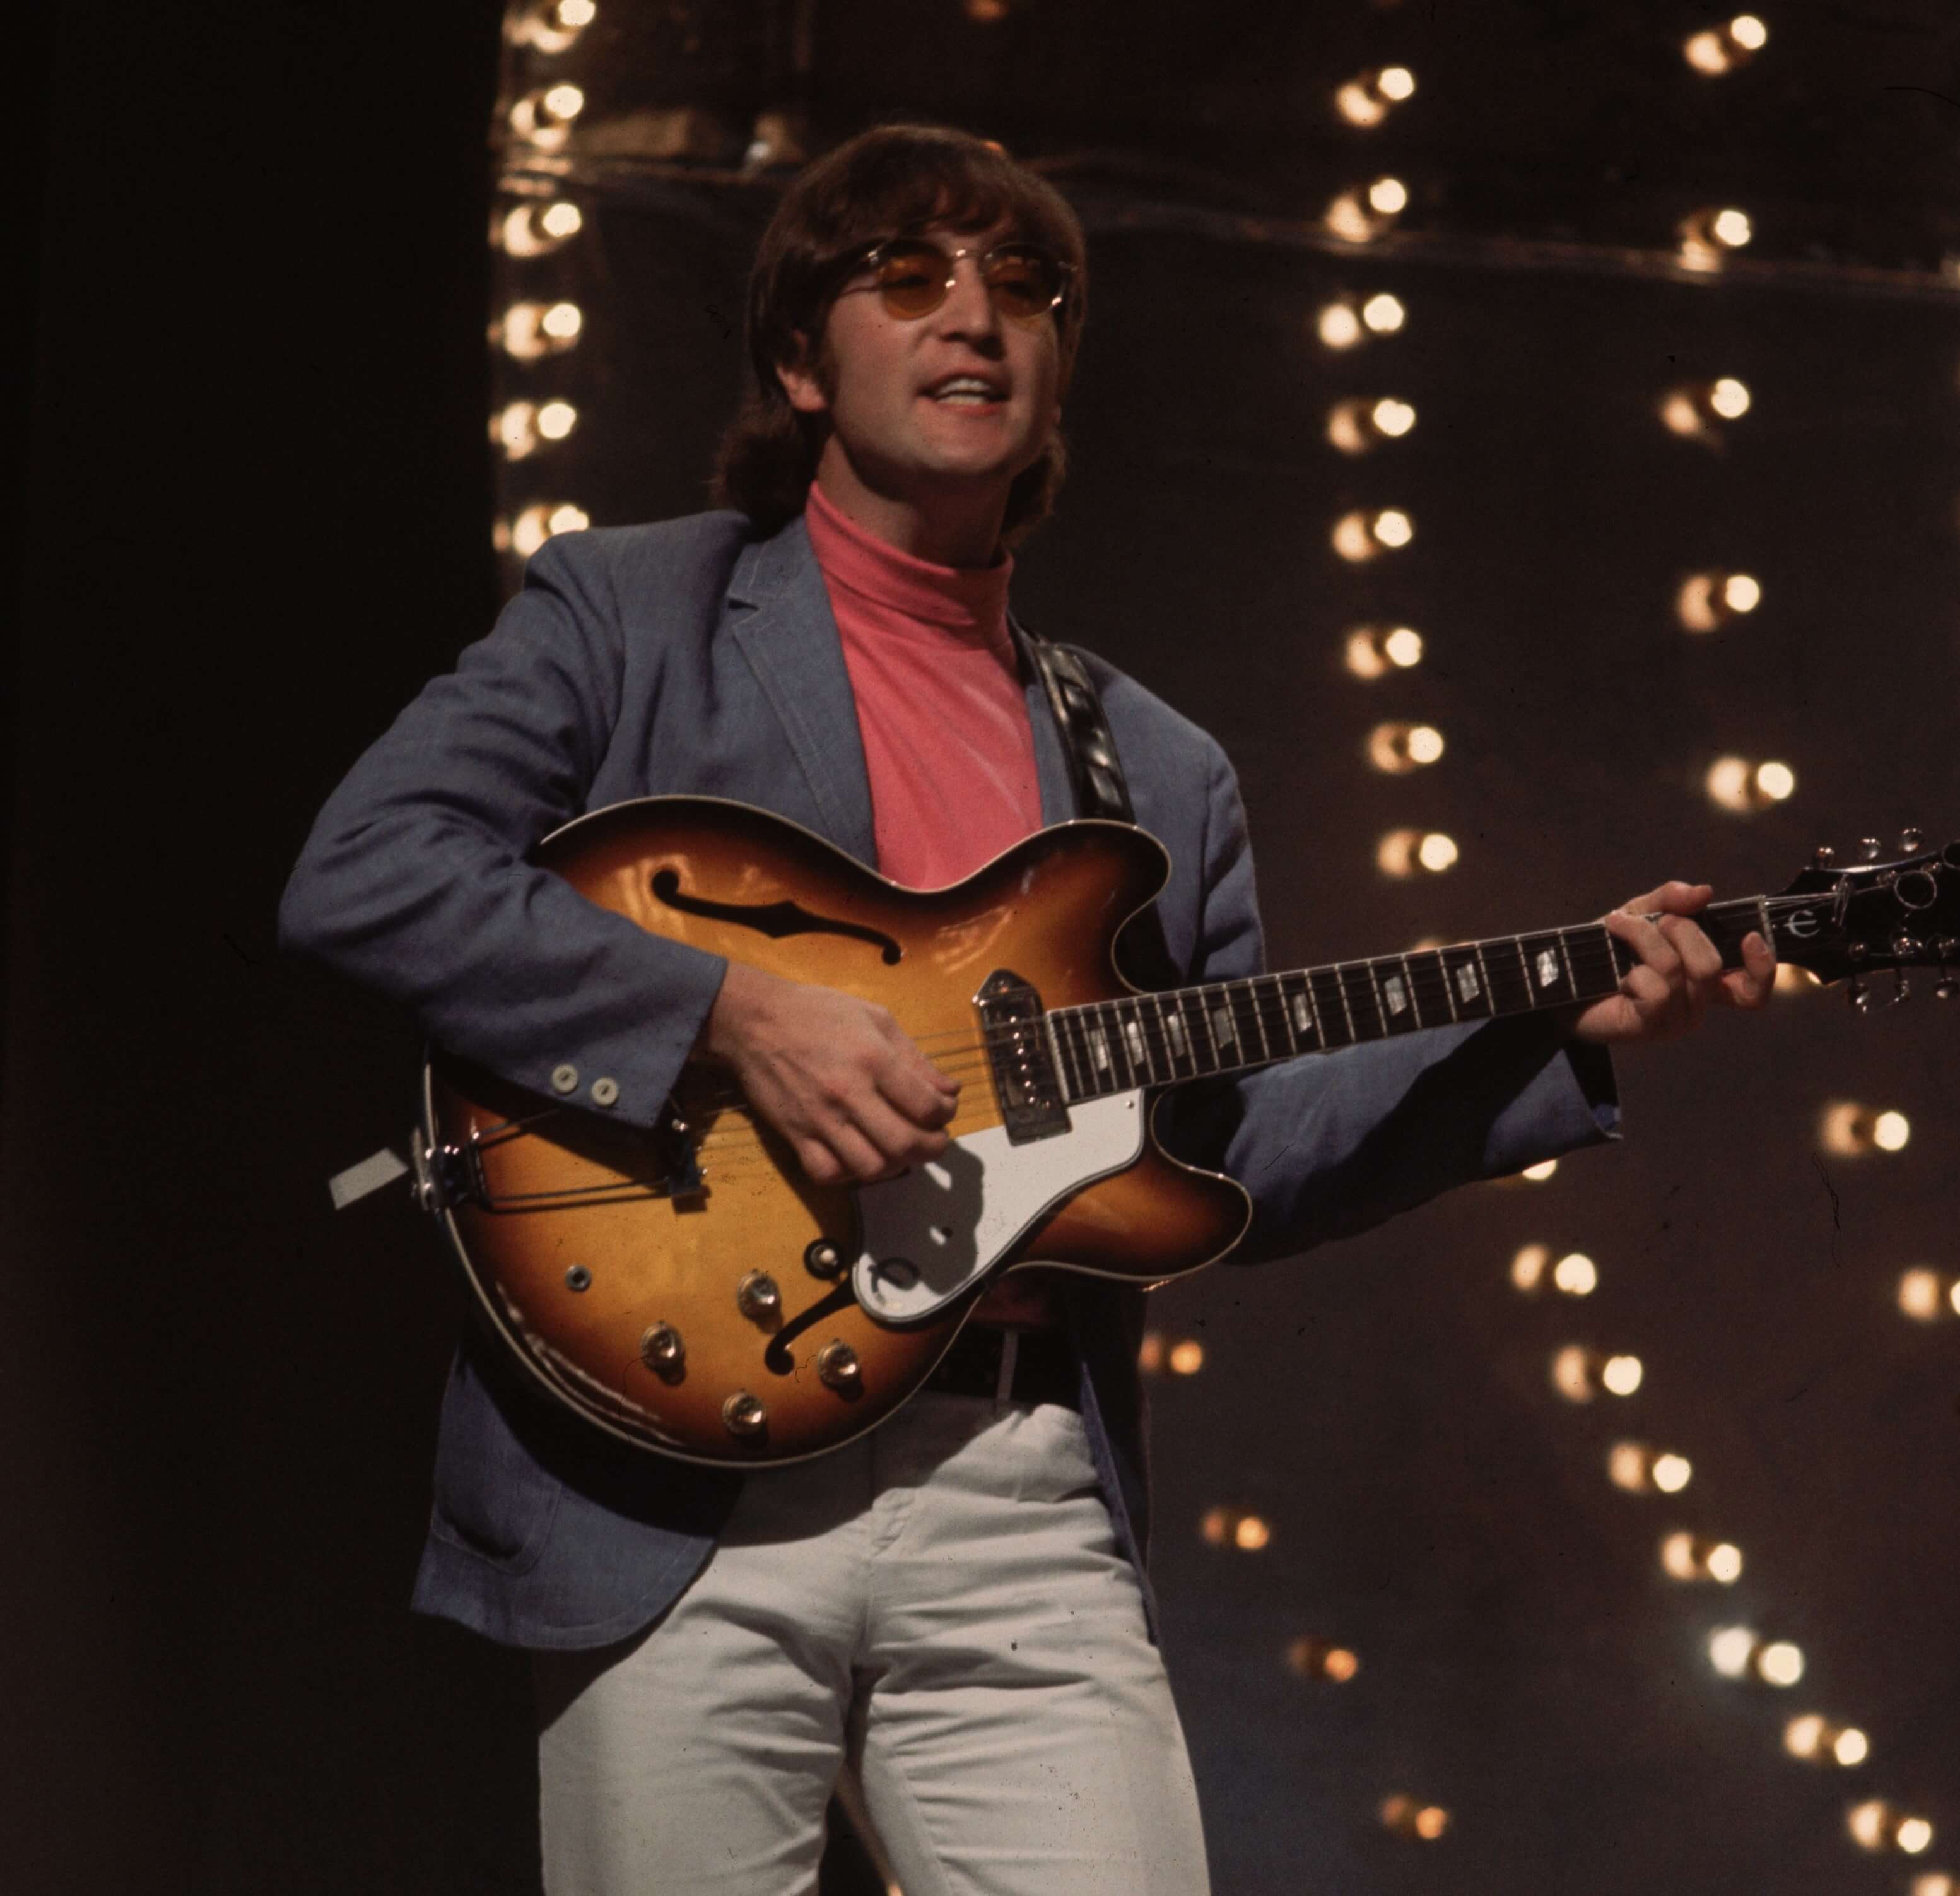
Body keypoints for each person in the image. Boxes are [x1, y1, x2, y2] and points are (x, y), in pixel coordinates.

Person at [279, 123, 1775, 1895]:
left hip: (1015, 1479)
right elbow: (367, 867)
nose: (971, 316)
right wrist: (728, 1014)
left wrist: (1544, 1032)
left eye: (1022, 285)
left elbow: (1228, 1152)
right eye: (906, 277)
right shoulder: (633, 608)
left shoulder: (1151, 763)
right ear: (796, 357)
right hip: (670, 1483)